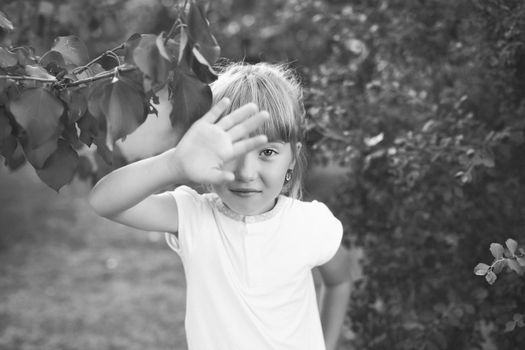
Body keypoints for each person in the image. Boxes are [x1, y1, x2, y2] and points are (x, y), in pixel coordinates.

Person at [88, 62, 352, 350]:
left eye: (267, 152)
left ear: (292, 157)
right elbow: (104, 202)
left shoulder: (310, 224)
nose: (246, 172)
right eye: (229, 148)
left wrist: (325, 343)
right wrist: (173, 165)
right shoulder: (194, 216)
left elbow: (339, 280)